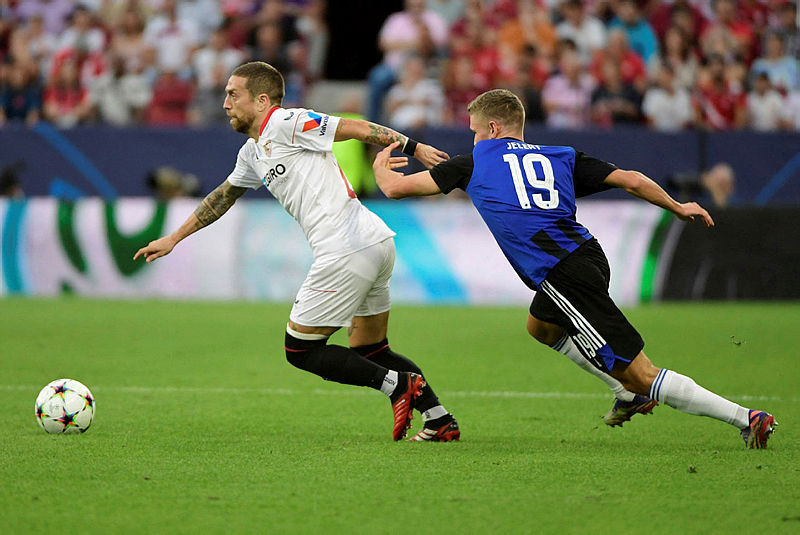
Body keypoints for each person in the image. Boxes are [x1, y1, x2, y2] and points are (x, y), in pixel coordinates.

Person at [371, 88, 778, 448]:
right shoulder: (560, 156)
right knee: (541, 327)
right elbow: (631, 179)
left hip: (562, 273)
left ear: (493, 128)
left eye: (476, 130)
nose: (474, 139)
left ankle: (745, 418)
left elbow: (393, 189)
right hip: (588, 256)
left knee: (640, 372)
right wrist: (677, 205)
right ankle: (625, 391)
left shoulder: (472, 163)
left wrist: (380, 168)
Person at [134, 61, 459, 443]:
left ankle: (397, 385)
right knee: (370, 348)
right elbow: (222, 197)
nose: (225, 103)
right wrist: (174, 237)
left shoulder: (285, 121)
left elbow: (352, 127)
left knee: (300, 349)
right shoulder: (252, 153)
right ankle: (439, 419)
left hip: (345, 247)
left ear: (261, 100)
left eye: (232, 94)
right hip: (373, 242)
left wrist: (414, 146)